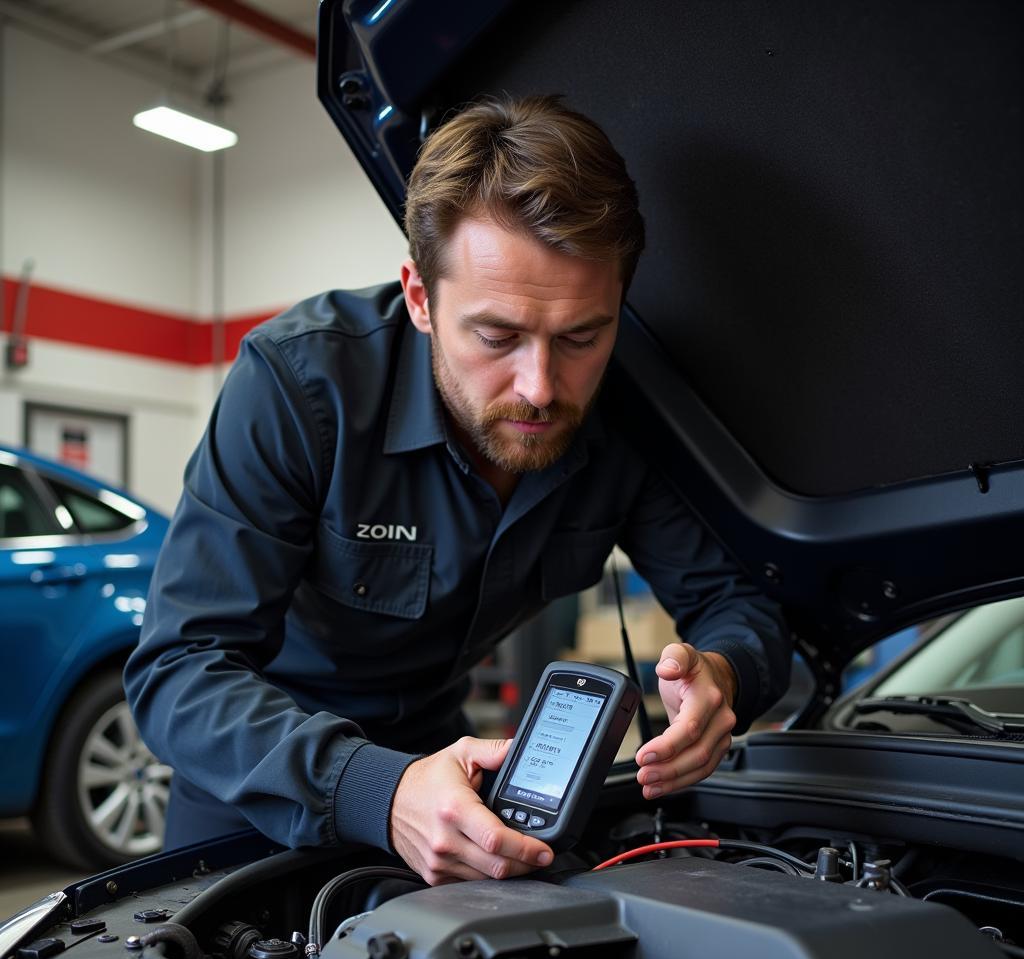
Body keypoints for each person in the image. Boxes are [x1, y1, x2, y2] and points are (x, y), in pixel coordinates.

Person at [124, 95, 790, 885]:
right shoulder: (300, 386)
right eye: (498, 336)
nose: (541, 389)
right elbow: (179, 668)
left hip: (453, 786)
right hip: (254, 793)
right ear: (419, 297)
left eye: (582, 336)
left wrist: (725, 676)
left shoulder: (628, 418)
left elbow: (740, 606)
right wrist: (378, 785)